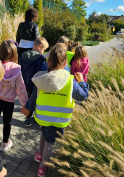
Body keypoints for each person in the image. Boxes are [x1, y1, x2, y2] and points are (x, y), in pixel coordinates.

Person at [21, 45, 89, 177]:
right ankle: (42, 168)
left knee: (44, 135)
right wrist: (81, 82)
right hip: (59, 119)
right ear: (65, 63)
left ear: (48, 62)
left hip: (43, 117)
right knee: (50, 144)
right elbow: (82, 96)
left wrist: (27, 109)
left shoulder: (41, 79)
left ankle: (39, 156)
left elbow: (33, 98)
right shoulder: (70, 81)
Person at [0, 40, 28, 152]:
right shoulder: (16, 69)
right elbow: (21, 88)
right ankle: (5, 143)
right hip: (9, 101)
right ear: (14, 54)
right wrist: (25, 104)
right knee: (7, 122)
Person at [18, 37, 49, 127]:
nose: (43, 51)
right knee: (33, 99)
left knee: (26, 98)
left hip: (23, 82)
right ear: (39, 47)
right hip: (34, 83)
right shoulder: (40, 58)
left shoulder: (23, 55)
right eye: (43, 49)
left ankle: (27, 117)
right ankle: (33, 118)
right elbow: (40, 71)